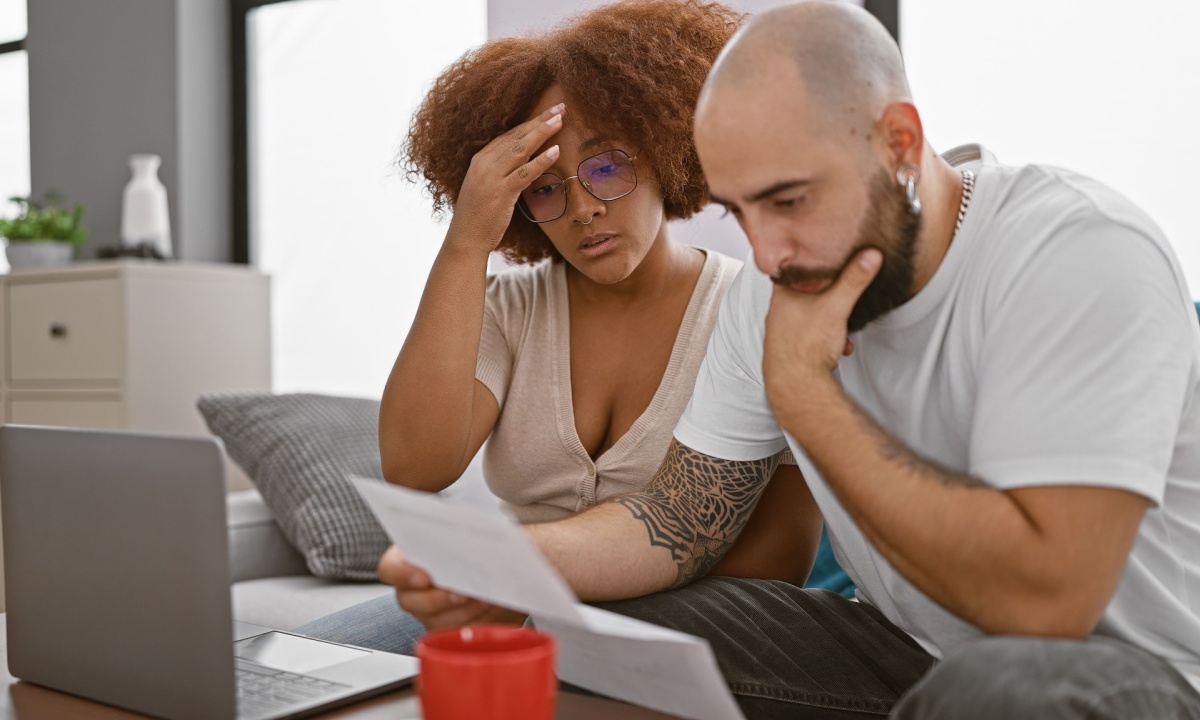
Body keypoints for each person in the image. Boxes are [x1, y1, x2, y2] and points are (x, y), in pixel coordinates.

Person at [381, 1, 1200, 717]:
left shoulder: (1076, 252)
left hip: (1129, 677)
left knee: (1000, 689)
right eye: (741, 213)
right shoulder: (768, 291)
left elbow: (1046, 607)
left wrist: (804, 394)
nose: (768, 254)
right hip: (906, 655)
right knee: (591, 637)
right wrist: (498, 568)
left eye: (789, 200)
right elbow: (677, 524)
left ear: (900, 142)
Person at [296, 0, 824, 655]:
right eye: (544, 188)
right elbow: (413, 468)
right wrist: (466, 241)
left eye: (606, 167)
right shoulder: (507, 309)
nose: (582, 210)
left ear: (666, 148)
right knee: (293, 672)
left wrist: (562, 601)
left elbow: (779, 561)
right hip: (507, 601)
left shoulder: (751, 312)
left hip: (684, 624)